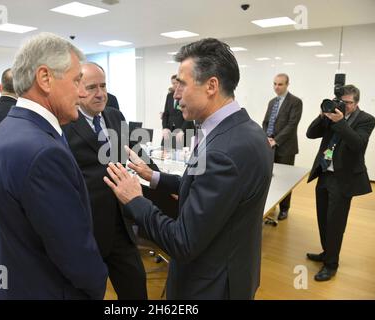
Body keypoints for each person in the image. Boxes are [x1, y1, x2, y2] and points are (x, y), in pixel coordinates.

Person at [104, 38, 273, 299]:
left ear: (211, 86)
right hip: (233, 270)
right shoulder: (242, 130)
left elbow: (182, 242)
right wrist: (155, 177)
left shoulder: (223, 151)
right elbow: (202, 186)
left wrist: (135, 199)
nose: (175, 94)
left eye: (181, 84)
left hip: (209, 285)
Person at [0, 32, 107, 299]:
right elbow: (73, 252)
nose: (82, 92)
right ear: (45, 78)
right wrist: (97, 287)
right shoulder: (42, 151)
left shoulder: (4, 131)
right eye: (76, 81)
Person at [62, 62, 147, 300]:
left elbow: (134, 153)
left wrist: (157, 176)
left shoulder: (114, 115)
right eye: (91, 87)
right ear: (77, 88)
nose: (100, 93)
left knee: (136, 289)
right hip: (88, 230)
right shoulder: (66, 125)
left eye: (103, 86)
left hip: (122, 223)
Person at [306, 84, 375, 281]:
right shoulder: (331, 114)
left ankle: (331, 265)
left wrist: (341, 122)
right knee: (322, 218)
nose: (344, 106)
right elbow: (310, 134)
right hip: (324, 173)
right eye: (341, 102)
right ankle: (327, 252)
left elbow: (358, 144)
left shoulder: (366, 119)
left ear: (356, 102)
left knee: (335, 223)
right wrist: (322, 116)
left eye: (348, 103)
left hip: (343, 179)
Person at [262, 74, 303, 220]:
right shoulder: (272, 102)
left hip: (286, 147)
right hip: (270, 146)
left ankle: (284, 209)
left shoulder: (295, 102)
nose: (276, 87)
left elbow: (292, 125)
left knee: (285, 180)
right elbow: (266, 121)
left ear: (287, 84)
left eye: (280, 84)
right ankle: (271, 205)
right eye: (274, 84)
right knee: (270, 177)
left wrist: (276, 140)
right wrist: (265, 137)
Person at [162, 74, 194, 149]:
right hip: (171, 129)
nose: (175, 85)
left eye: (176, 83)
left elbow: (190, 115)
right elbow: (166, 114)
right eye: (173, 83)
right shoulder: (169, 96)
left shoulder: (186, 95)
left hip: (184, 129)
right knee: (167, 152)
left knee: (183, 154)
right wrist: (165, 128)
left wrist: (182, 130)